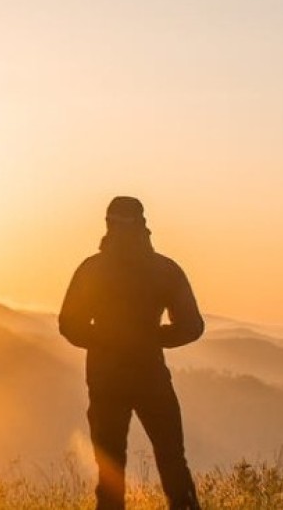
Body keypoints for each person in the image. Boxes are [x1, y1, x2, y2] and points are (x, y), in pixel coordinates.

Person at [59, 196, 204, 510]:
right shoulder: (164, 269)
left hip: (105, 379)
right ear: (143, 226)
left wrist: (107, 338)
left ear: (108, 226)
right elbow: (192, 326)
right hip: (150, 376)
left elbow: (69, 324)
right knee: (172, 462)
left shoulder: (92, 270)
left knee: (111, 471)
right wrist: (150, 338)